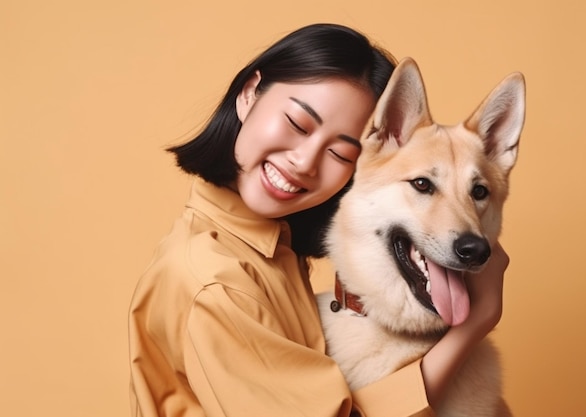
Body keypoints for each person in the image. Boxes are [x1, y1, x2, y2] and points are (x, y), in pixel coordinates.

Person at [128, 23, 509, 417]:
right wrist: (471, 327)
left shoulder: (274, 250)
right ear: (248, 95)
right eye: (297, 124)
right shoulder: (215, 281)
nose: (304, 162)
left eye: (341, 153)